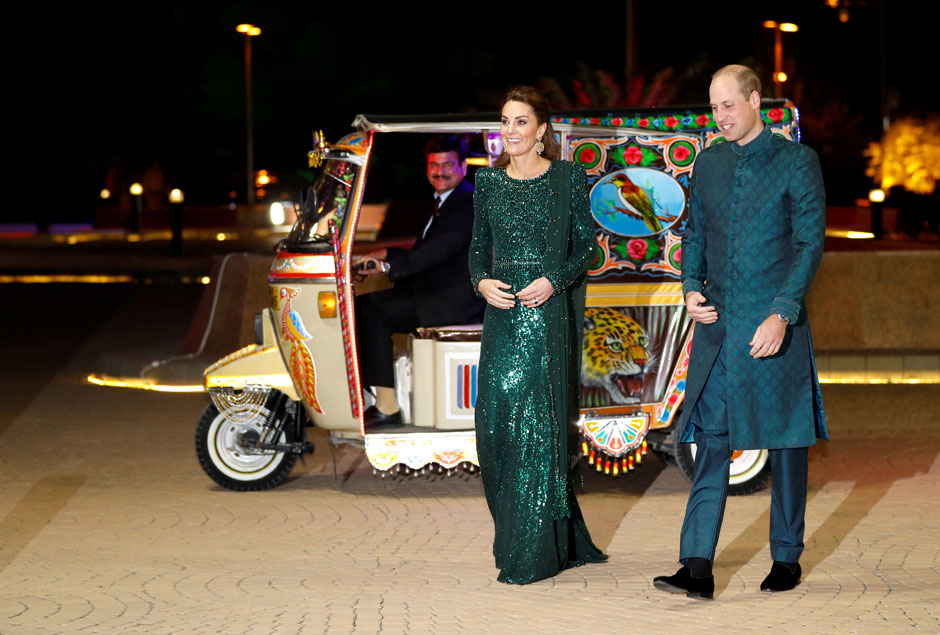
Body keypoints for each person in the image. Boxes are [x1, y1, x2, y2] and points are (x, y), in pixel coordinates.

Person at [653, 64, 828, 600]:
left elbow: (809, 244)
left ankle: (786, 557)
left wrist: (782, 312)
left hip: (775, 327)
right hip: (719, 330)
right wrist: (689, 288)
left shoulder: (796, 161)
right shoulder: (708, 163)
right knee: (710, 445)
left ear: (755, 101)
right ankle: (697, 564)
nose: (719, 116)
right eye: (713, 107)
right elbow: (695, 234)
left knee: (787, 443)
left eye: (728, 105)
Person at [469, 85, 607, 585]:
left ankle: (537, 551)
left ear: (542, 129)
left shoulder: (568, 178)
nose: (511, 131)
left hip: (547, 320)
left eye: (521, 121)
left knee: (540, 432)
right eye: (505, 121)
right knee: (499, 427)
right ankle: (514, 532)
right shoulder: (488, 184)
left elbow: (588, 249)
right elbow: (477, 251)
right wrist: (482, 283)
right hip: (502, 319)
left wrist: (553, 281)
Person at [356, 135, 485, 428]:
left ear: (463, 166)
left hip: (454, 301)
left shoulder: (468, 203)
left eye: (448, 164)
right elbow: (425, 250)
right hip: (438, 292)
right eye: (434, 165)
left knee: (375, 313)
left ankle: (387, 407)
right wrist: (383, 253)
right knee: (361, 307)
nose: (440, 171)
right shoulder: (446, 201)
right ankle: (371, 394)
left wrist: (387, 264)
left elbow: (439, 251)